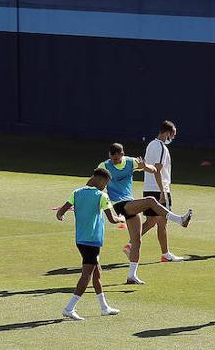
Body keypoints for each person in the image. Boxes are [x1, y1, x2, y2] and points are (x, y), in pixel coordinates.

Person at [100, 143, 192, 284]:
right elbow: (93, 184)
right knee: (150, 200)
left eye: (118, 159)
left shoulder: (131, 162)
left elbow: (154, 169)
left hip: (129, 203)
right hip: (119, 205)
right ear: (109, 155)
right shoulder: (104, 166)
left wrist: (144, 167)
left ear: (122, 154)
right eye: (113, 159)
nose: (115, 161)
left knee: (136, 241)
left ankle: (131, 275)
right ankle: (180, 220)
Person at [55, 168, 123, 320]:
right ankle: (69, 308)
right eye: (105, 183)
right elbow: (112, 219)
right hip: (92, 241)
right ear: (99, 180)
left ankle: (104, 307)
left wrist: (60, 215)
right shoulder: (102, 196)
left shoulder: (77, 192)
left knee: (97, 272)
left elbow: (61, 211)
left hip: (80, 239)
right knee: (87, 275)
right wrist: (121, 219)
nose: (105, 186)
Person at [125, 120, 184, 264]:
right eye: (173, 135)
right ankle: (166, 254)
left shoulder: (151, 144)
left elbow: (147, 166)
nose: (173, 138)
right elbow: (157, 170)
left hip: (148, 188)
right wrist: (163, 191)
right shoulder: (161, 147)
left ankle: (130, 245)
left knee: (151, 221)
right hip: (159, 189)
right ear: (167, 133)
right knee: (162, 223)